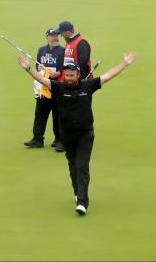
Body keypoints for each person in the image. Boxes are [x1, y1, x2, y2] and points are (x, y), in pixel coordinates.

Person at [18, 51, 138, 216]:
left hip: (85, 134)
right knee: (73, 165)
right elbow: (41, 79)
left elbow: (109, 76)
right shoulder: (59, 87)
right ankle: (77, 192)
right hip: (67, 135)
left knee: (82, 166)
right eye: (66, 75)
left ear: (78, 75)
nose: (68, 78)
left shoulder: (88, 85)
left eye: (71, 75)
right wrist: (28, 69)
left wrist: (124, 63)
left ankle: (82, 202)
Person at [24, 28, 65, 152]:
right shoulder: (41, 50)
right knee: (40, 114)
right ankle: (37, 139)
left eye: (57, 35)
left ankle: (58, 140)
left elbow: (65, 67)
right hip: (43, 87)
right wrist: (40, 68)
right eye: (52, 36)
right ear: (47, 37)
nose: (55, 38)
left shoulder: (63, 51)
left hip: (57, 87)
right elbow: (37, 66)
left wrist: (58, 73)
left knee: (58, 115)